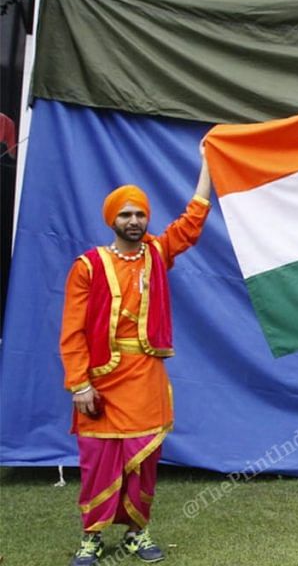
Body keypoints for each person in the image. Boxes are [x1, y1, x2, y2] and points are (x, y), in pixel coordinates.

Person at [62, 161, 212, 565]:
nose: (134, 220)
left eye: (140, 213)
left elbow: (191, 223)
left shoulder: (158, 254)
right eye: (126, 214)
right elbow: (72, 332)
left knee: (143, 462)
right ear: (113, 218)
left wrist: (208, 167)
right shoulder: (88, 266)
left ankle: (135, 533)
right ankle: (91, 537)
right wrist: (79, 384)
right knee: (96, 462)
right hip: (100, 383)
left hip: (146, 377)